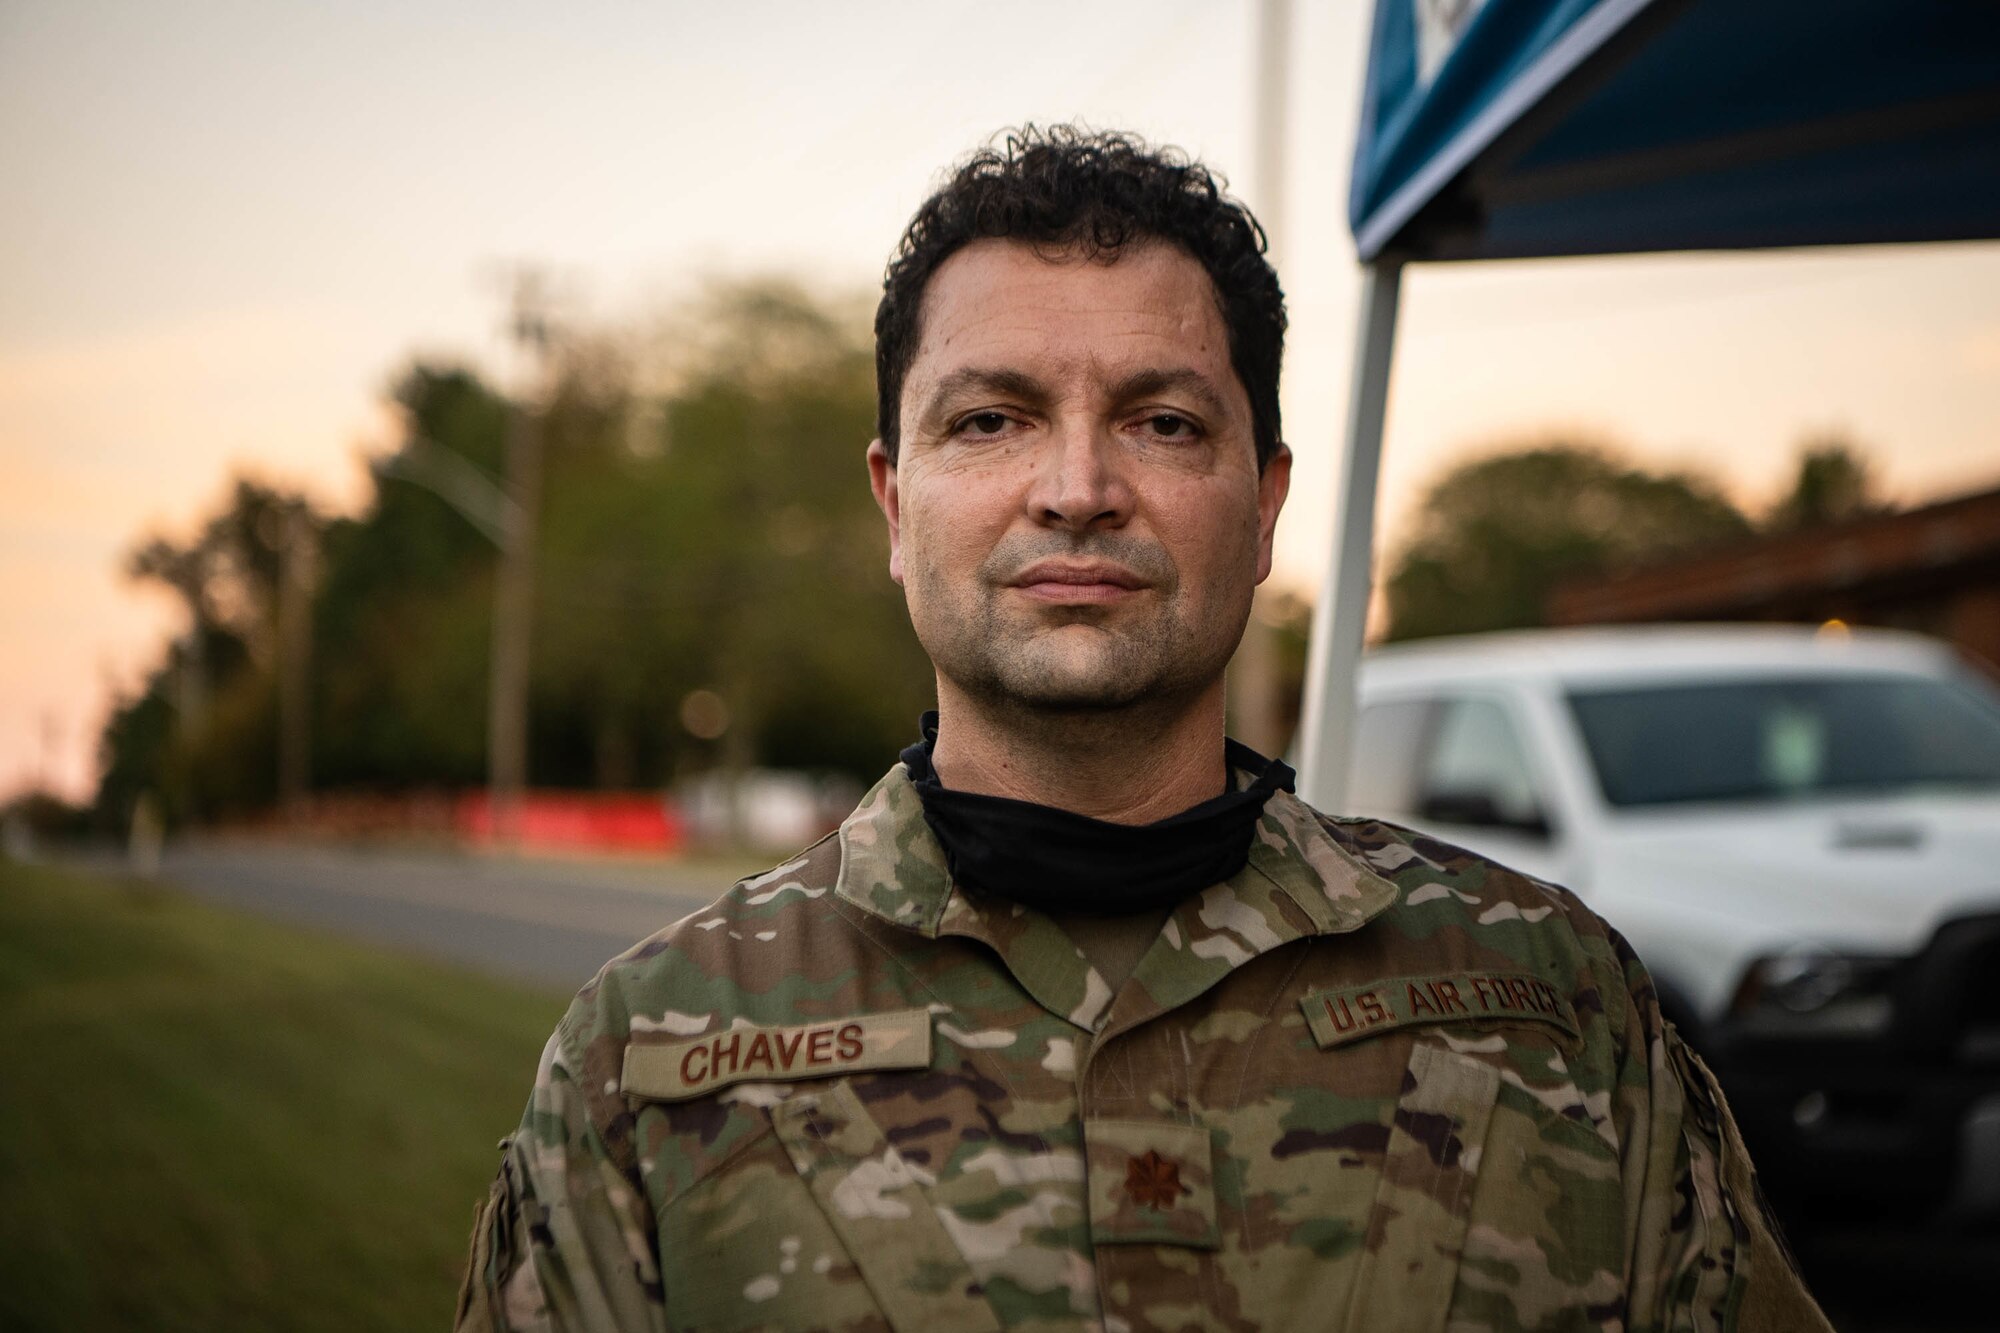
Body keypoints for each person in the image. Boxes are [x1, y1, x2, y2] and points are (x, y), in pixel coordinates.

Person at [455, 126, 1830, 1333]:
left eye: (1163, 422)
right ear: (893, 503)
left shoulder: (1556, 1003)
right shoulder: (648, 1056)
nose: (1077, 488)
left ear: (1267, 498)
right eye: (991, 419)